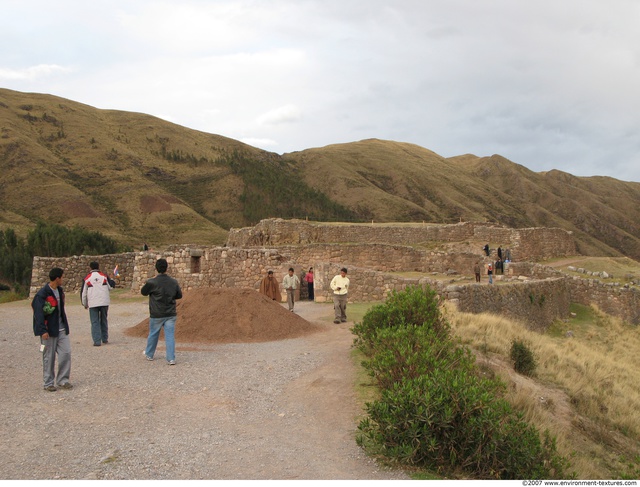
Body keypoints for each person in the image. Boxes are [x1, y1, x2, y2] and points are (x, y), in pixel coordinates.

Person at [32, 267, 72, 391]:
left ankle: (63, 380)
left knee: (66, 353)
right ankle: (48, 383)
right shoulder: (42, 294)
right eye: (62, 277)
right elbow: (38, 313)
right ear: (57, 278)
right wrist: (42, 330)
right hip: (48, 331)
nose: (63, 280)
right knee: (48, 357)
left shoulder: (60, 291)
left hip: (61, 330)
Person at [141, 258, 182, 365]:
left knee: (153, 334)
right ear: (166, 268)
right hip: (170, 313)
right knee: (169, 335)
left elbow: (143, 292)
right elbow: (179, 295)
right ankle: (171, 358)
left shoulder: (152, 282)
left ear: (156, 268)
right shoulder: (173, 282)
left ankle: (149, 354)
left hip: (156, 313)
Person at [81, 261, 115, 346]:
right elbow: (110, 287)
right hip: (104, 301)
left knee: (94, 322)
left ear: (90, 268)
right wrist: (113, 280)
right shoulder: (104, 276)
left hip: (93, 302)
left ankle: (97, 341)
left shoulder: (87, 278)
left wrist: (85, 303)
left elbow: (84, 293)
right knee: (104, 320)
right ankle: (105, 338)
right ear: (98, 267)